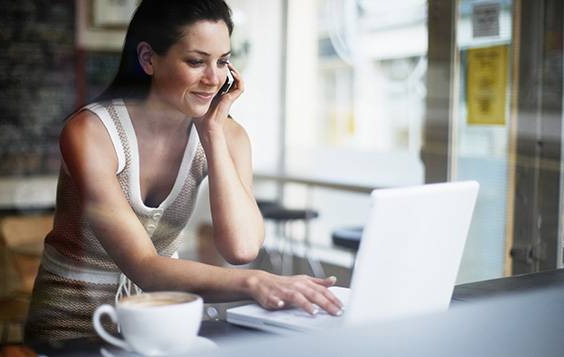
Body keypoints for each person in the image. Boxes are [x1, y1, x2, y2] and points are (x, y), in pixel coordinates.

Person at [24, 0, 343, 343]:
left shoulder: (227, 135)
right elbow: (143, 266)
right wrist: (255, 282)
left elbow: (242, 247)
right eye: (196, 61)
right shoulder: (91, 133)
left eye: (223, 62)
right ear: (148, 59)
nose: (213, 78)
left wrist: (212, 133)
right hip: (71, 328)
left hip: (160, 320)